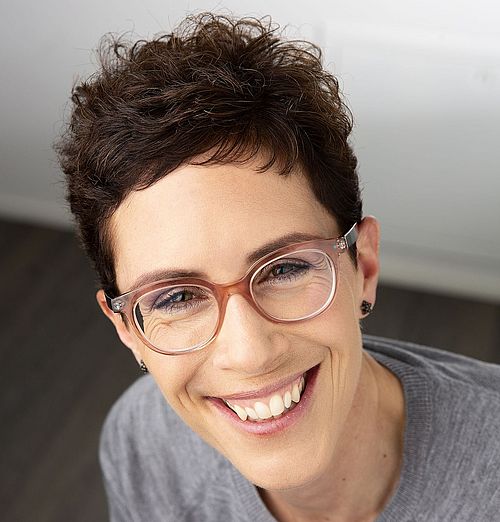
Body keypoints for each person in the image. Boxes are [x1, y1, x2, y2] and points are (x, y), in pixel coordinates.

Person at [56, 13, 500, 522]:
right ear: (128, 331)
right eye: (176, 297)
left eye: (284, 270)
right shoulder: (143, 443)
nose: (250, 355)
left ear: (364, 265)